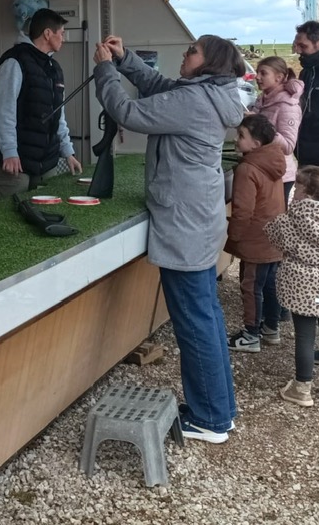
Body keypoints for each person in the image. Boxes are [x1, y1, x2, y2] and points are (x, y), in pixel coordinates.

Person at [93, 34, 247, 443]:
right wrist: (125, 59)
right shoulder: (209, 93)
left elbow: (127, 111)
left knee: (195, 322)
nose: (185, 53)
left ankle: (209, 419)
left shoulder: (194, 100)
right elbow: (161, 87)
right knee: (206, 316)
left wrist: (104, 69)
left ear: (208, 63)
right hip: (199, 218)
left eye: (192, 51)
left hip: (185, 223)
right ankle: (220, 410)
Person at [265, 165, 319, 407]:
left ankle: (302, 388)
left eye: (297, 187)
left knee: (304, 336)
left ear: (308, 192)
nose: (293, 191)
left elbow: (275, 237)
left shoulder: (292, 218)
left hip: (302, 286)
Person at [0, 9, 82, 199]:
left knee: (45, 213)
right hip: (16, 164)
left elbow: (59, 116)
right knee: (11, 215)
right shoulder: (14, 61)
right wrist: (9, 152)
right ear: (48, 33)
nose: (64, 39)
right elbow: (4, 111)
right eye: (61, 33)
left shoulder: (55, 69)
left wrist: (68, 152)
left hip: (47, 164)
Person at [225, 114, 287, 353]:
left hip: (256, 239)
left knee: (250, 286)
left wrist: (234, 237)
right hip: (274, 236)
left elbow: (243, 211)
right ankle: (271, 328)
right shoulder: (273, 161)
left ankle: (251, 335)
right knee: (270, 283)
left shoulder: (247, 169)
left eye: (241, 136)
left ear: (256, 144)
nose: (236, 139)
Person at [252, 56, 305, 201]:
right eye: (257, 72)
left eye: (263, 73)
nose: (257, 77)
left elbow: (288, 146)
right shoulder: (262, 100)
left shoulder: (287, 106)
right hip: (261, 169)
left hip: (280, 176)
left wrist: (260, 125)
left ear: (279, 77)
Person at [292, 20, 319, 169]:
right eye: (296, 45)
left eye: (303, 46)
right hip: (304, 151)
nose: (298, 51)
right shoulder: (307, 71)